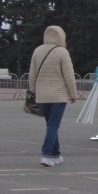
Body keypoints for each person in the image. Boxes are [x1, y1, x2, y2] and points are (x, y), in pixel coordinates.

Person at [29, 26, 78, 167]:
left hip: (42, 95)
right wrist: (73, 94)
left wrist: (32, 91)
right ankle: (46, 154)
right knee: (53, 125)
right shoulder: (63, 52)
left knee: (51, 124)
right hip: (58, 95)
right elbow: (69, 76)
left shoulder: (37, 50)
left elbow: (32, 74)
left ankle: (56, 154)